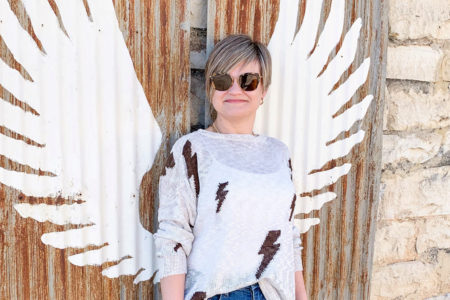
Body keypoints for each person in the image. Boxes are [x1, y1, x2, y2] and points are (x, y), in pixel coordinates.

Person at [154, 34, 308, 300]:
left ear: (263, 91)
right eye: (223, 81)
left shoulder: (279, 153)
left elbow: (288, 237)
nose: (235, 90)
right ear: (210, 89)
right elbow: (173, 238)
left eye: (248, 81)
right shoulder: (192, 149)